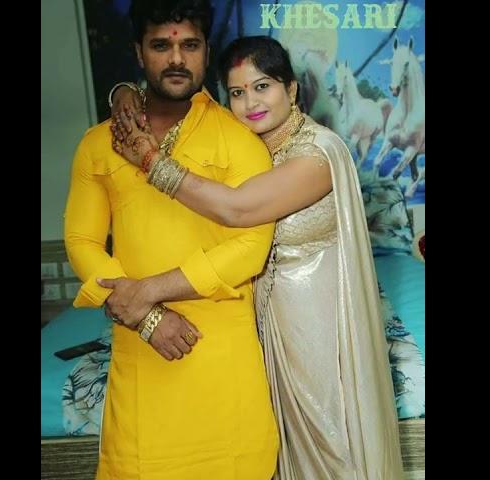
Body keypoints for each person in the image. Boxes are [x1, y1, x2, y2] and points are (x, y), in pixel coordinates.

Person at [109, 36, 405, 479]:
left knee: (332, 447)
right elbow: (182, 100)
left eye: (262, 86)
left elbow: (237, 209)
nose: (251, 103)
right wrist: (123, 92)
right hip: (261, 329)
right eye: (238, 92)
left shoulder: (319, 154)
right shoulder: (244, 147)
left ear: (291, 89)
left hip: (319, 334)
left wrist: (153, 162)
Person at [64, 2, 279, 478]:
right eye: (161, 45)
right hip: (143, 354)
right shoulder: (99, 143)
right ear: (139, 53)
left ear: (207, 53)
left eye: (190, 45)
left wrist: (149, 293)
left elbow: (251, 247)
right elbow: (81, 241)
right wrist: (147, 318)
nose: (177, 58)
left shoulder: (240, 140)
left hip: (221, 355)